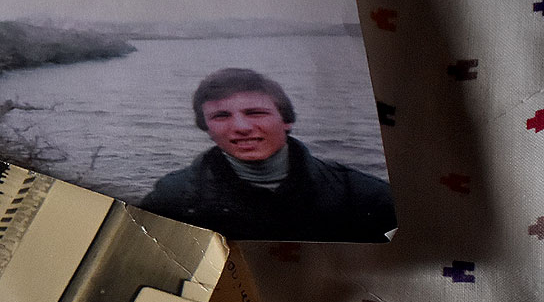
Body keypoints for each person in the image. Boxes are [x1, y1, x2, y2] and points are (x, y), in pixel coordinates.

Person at [138, 69, 396, 241]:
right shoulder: (172, 199)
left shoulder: (363, 196)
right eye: (221, 116)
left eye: (255, 113)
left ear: (287, 120)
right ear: (207, 129)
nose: (241, 127)